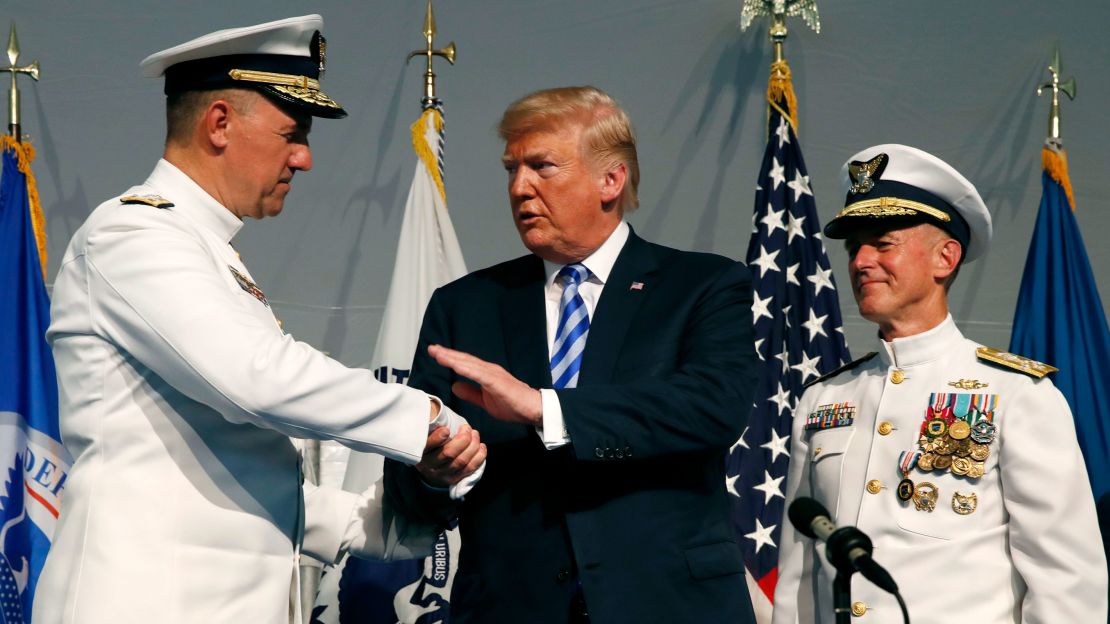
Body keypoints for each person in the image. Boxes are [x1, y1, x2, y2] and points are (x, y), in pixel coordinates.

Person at [34, 15, 484, 624]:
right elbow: (258, 380)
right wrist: (426, 416)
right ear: (219, 123)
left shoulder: (207, 254)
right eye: (291, 133)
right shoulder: (131, 234)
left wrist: (414, 496)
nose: (304, 159)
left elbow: (243, 477)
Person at [384, 86, 759, 623]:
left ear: (611, 179)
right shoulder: (464, 307)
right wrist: (434, 471)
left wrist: (546, 408)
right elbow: (406, 480)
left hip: (668, 604)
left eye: (541, 166)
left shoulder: (701, 285)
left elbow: (711, 407)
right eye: (511, 168)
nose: (519, 187)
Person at [773, 144, 1108, 623]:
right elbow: (799, 576)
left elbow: (1066, 580)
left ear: (945, 257)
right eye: (854, 248)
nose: (861, 260)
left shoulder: (1015, 395)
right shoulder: (823, 398)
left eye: (882, 243)